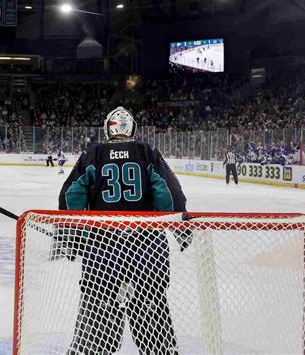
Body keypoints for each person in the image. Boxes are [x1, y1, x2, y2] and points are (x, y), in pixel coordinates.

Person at [59, 106, 187, 354]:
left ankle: (92, 348)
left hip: (103, 249)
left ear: (108, 128)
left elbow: (72, 194)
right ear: (132, 129)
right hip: (147, 248)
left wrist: (71, 235)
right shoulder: (146, 151)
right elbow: (169, 192)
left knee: (99, 308)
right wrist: (179, 229)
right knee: (150, 305)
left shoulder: (94, 153)